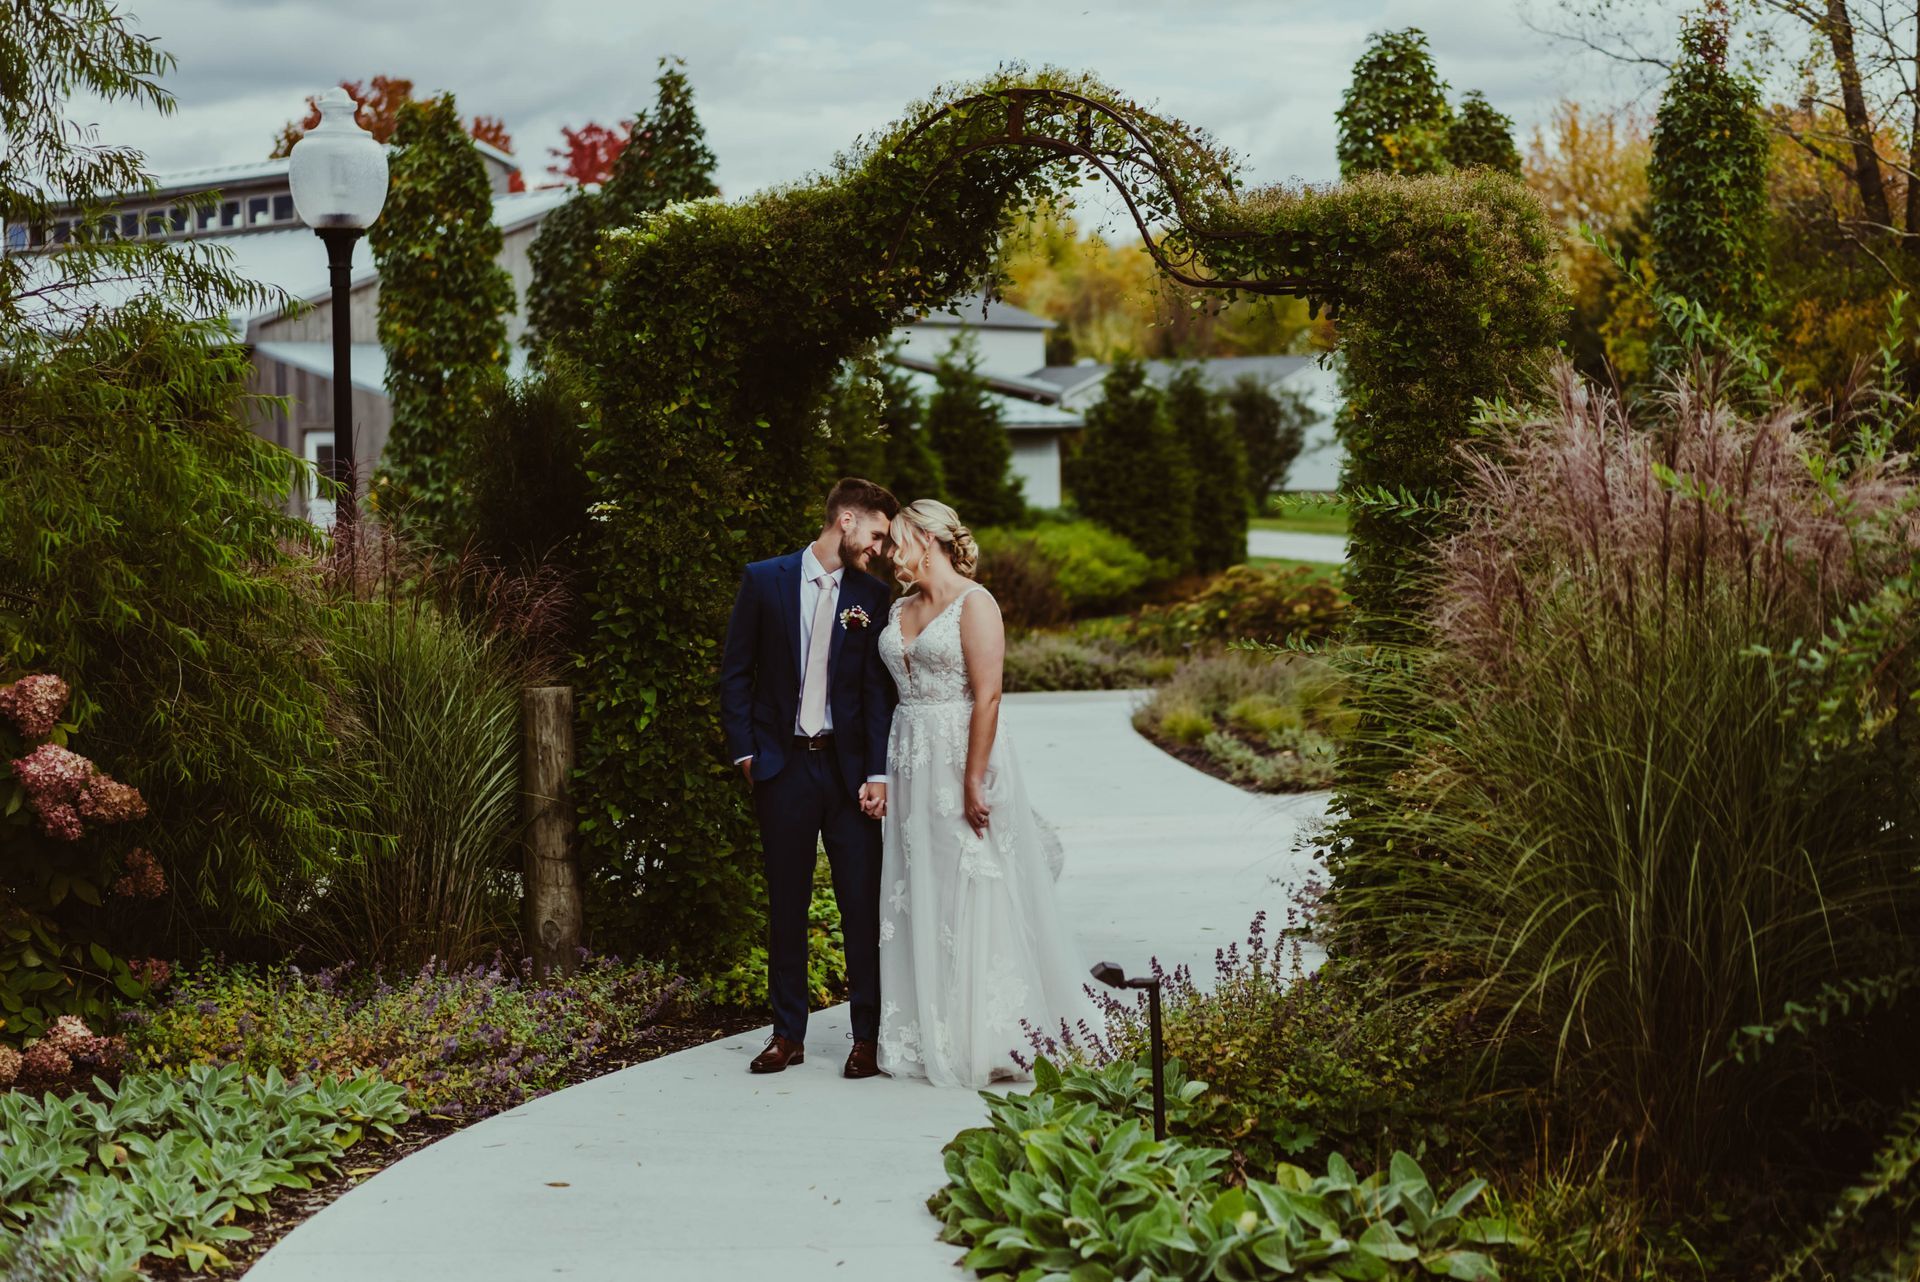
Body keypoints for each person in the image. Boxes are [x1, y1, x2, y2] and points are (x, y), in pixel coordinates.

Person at [873, 499, 1101, 1087]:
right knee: (916, 887)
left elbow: (989, 694)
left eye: (899, 539)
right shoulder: (900, 606)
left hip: (957, 755)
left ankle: (994, 1035)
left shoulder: (976, 604)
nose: (890, 551)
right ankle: (930, 1031)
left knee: (971, 881)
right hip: (908, 755)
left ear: (929, 538)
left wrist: (973, 777)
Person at [719, 477, 899, 1078]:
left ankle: (866, 1037)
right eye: (875, 534)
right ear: (846, 519)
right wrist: (748, 755)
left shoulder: (872, 597)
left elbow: (877, 694)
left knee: (860, 904)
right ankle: (786, 1033)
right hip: (783, 766)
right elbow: (736, 673)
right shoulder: (764, 580)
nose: (879, 548)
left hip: (848, 774)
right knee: (787, 903)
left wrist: (877, 771)